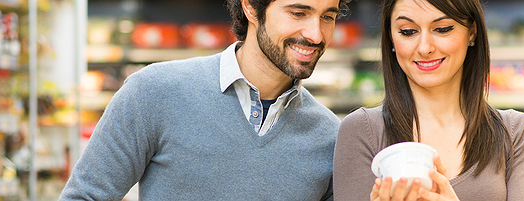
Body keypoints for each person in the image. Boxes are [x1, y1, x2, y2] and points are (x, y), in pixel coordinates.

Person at [59, 0, 351, 200]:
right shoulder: (154, 92)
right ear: (250, 6)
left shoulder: (331, 137)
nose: (316, 34)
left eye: (328, 16)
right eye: (298, 13)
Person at [332, 0, 524, 200]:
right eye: (408, 32)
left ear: (472, 31)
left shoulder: (516, 133)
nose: (425, 48)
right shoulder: (361, 131)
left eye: (442, 29)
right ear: (390, 38)